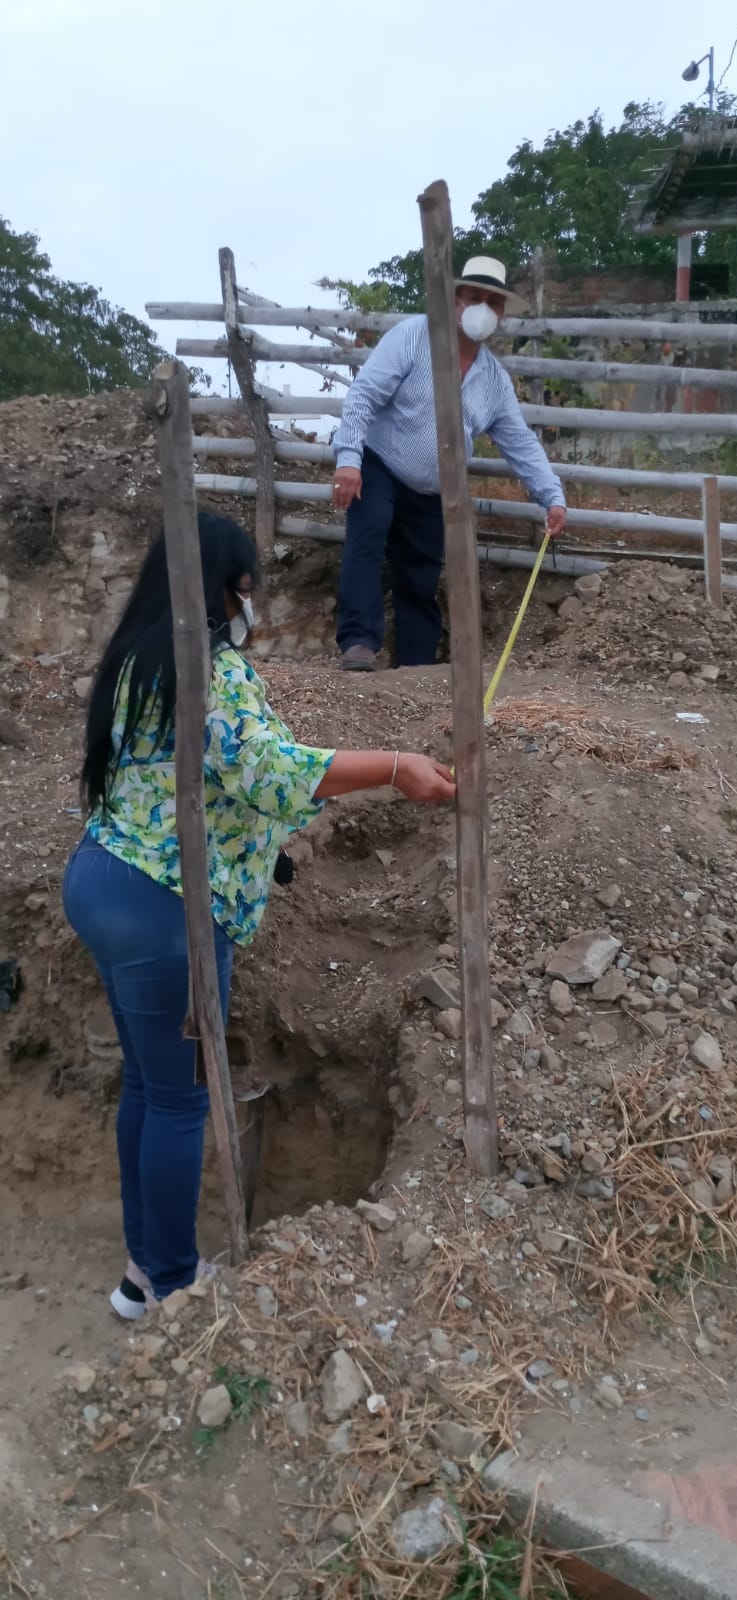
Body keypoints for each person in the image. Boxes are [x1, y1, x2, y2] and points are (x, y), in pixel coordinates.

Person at [63, 512, 454, 1318]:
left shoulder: (135, 658)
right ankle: (171, 1282)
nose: (250, 604)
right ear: (216, 589)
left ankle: (143, 1269)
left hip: (100, 880)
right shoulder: (212, 670)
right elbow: (269, 774)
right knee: (179, 1099)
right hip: (163, 908)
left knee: (148, 1084)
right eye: (244, 588)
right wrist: (394, 766)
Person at [332, 256, 568, 672]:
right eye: (474, 297)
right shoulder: (411, 338)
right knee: (368, 536)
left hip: (435, 489)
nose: (482, 309)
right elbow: (364, 395)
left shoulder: (494, 382)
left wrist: (552, 496)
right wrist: (349, 458)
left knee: (421, 574)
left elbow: (519, 442)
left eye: (492, 302)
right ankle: (359, 642)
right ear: (455, 299)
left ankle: (419, 669)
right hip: (380, 464)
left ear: (501, 314)